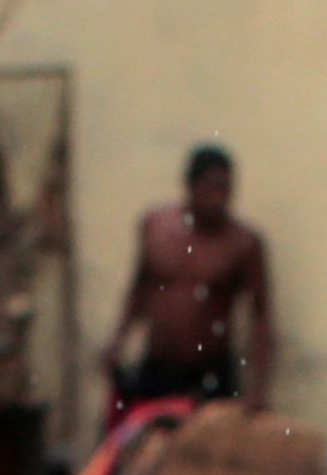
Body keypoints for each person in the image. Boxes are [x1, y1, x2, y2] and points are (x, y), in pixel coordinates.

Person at [102, 141, 273, 414]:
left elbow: (261, 318)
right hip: (157, 366)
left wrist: (259, 390)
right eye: (212, 188)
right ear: (190, 186)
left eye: (226, 189)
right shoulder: (156, 226)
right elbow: (139, 289)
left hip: (210, 371)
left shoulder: (243, 243)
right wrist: (117, 340)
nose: (220, 198)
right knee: (142, 446)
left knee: (207, 452)